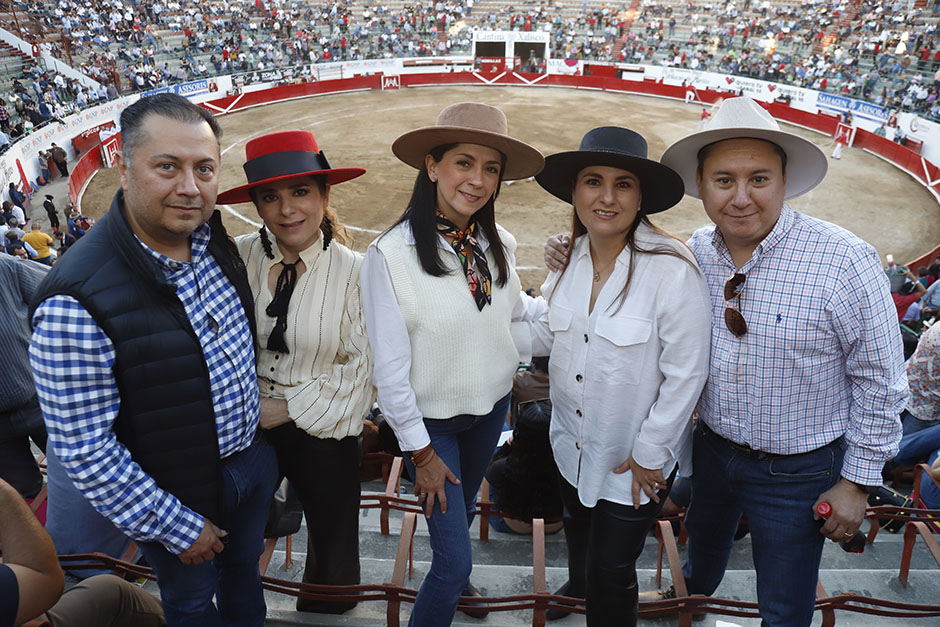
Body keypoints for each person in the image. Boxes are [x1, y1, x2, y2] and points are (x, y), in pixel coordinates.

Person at [545, 97, 906, 625]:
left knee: (783, 605)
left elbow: (880, 380)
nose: (740, 198)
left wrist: (856, 482)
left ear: (785, 179)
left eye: (758, 179)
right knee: (703, 554)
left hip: (799, 469)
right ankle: (688, 601)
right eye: (723, 180)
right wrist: (570, 249)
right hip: (711, 454)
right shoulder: (695, 251)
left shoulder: (845, 259)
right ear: (701, 182)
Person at [28, 93, 278, 626]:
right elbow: (86, 451)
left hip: (248, 465)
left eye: (204, 168)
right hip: (176, 500)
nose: (190, 187)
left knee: (244, 586)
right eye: (168, 166)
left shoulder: (212, 241)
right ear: (124, 168)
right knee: (189, 606)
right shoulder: (74, 303)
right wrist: (178, 527)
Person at [361, 102, 544, 626]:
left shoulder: (497, 241)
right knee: (450, 558)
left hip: (490, 410)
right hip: (431, 428)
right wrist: (420, 455)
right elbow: (390, 372)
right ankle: (454, 583)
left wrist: (578, 282)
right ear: (432, 165)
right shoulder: (389, 256)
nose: (478, 180)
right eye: (464, 163)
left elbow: (517, 314)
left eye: (491, 169)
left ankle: (460, 585)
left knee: (461, 518)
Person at [520, 126, 710, 625]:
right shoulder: (568, 261)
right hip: (572, 445)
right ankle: (579, 585)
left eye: (623, 184)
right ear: (575, 191)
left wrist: (651, 454)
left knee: (613, 570)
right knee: (581, 540)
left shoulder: (672, 269)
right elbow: (547, 333)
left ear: (641, 195)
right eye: (593, 181)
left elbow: (687, 373)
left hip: (633, 462)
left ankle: (597, 596)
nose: (606, 197)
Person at [216, 130, 374, 614]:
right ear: (257, 204)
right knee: (234, 535)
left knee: (333, 536)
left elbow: (361, 367)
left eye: (300, 192)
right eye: (270, 197)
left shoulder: (359, 271)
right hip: (242, 424)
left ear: (325, 195)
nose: (286, 210)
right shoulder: (234, 256)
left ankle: (326, 612)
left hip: (321, 427)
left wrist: (283, 408)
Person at [0, 254, 48, 503]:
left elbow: (58, 291)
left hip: (38, 400)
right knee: (23, 494)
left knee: (81, 472)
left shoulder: (4, 267)